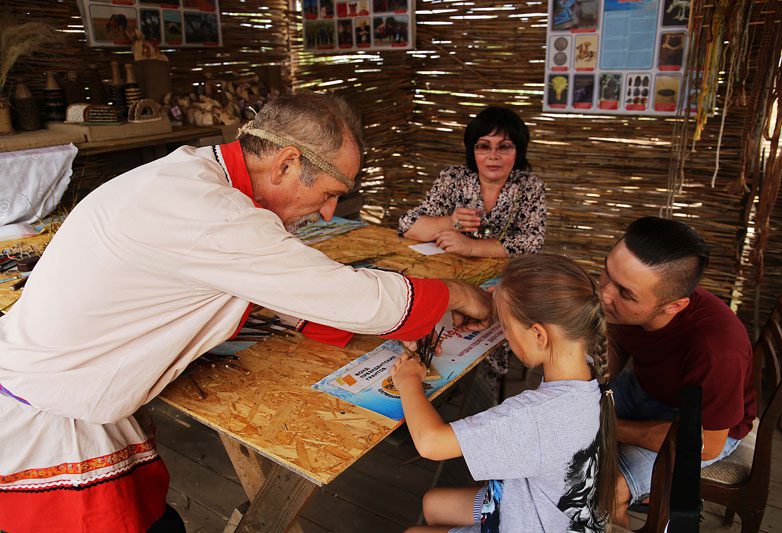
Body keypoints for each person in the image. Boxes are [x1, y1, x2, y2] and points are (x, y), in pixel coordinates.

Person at [0, 92, 493, 531]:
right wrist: (452, 293)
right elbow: (351, 297)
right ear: (285, 163)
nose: (327, 213)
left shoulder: (196, 174)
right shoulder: (210, 212)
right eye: (330, 194)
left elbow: (268, 282)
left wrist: (321, 318)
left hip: (65, 395)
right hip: (56, 422)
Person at [392, 254, 617, 532]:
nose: (505, 337)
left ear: (539, 335)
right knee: (433, 503)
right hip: (548, 509)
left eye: (506, 328)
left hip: (530, 522)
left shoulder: (536, 417)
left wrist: (408, 381)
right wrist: (499, 302)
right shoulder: (588, 370)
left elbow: (430, 443)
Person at [600, 216, 756, 527]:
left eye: (626, 293)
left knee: (608, 490)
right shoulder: (623, 301)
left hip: (704, 429)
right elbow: (618, 341)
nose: (605, 293)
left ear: (674, 305)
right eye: (607, 271)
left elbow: (704, 443)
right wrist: (597, 383)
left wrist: (610, 426)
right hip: (647, 387)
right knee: (560, 433)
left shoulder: (719, 351)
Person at [398, 106, 546, 260]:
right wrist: (451, 221)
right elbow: (408, 226)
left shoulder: (529, 186)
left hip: (505, 275)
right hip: (450, 268)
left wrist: (471, 247)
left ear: (518, 151)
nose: (493, 156)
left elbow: (532, 244)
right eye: (484, 146)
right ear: (472, 151)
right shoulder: (454, 179)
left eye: (504, 147)